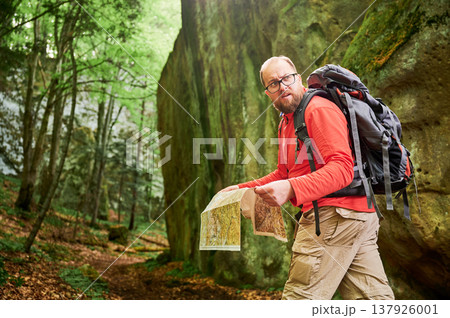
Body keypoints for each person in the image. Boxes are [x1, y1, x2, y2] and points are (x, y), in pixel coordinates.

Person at [219, 56, 394, 300]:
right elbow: (284, 173)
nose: (282, 86)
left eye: (286, 78)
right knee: (372, 303)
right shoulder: (286, 121)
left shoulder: (318, 109)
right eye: (273, 84)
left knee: (300, 300)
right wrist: (239, 189)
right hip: (357, 217)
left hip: (335, 216)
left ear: (298, 78)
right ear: (267, 93)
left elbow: (342, 168)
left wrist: (290, 188)